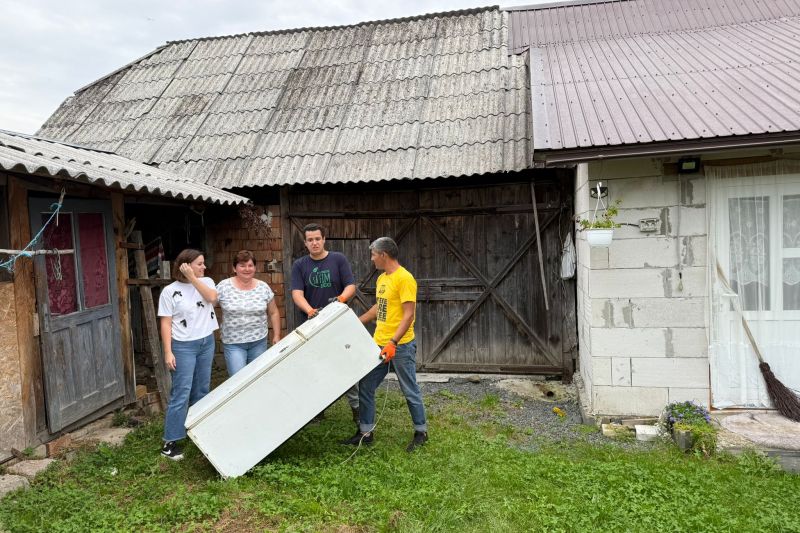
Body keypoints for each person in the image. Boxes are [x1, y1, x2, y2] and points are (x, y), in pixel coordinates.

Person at [341, 237, 428, 452]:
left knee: (410, 390)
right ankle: (365, 432)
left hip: (400, 346)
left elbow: (408, 315)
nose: (371, 259)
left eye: (373, 255)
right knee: (366, 386)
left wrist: (393, 342)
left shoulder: (404, 279)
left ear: (383, 255)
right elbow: (377, 310)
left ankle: (421, 432)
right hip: (378, 345)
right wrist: (353, 322)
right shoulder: (382, 279)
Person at [290, 223, 358, 423]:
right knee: (315, 367)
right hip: (312, 323)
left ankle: (356, 407)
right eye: (310, 240)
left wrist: (341, 300)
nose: (314, 243)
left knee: (346, 364)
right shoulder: (299, 265)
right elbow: (296, 293)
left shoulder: (338, 259)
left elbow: (350, 286)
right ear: (305, 243)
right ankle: (317, 410)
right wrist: (310, 310)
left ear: (324, 239)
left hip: (338, 321)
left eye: (317, 239)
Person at [157, 249, 218, 460]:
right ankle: (170, 442)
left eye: (203, 263)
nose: (204, 267)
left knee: (202, 388)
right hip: (183, 346)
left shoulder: (207, 282)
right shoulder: (169, 291)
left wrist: (193, 277)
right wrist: (168, 351)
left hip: (206, 342)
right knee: (181, 392)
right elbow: (165, 323)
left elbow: (212, 298)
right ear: (186, 265)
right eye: (199, 264)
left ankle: (198, 432)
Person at [217, 250, 282, 376]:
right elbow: (209, 303)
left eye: (250, 265)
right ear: (234, 268)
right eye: (242, 265)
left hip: (258, 342)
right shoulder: (223, 287)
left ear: (255, 268)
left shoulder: (263, 287)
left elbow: (273, 312)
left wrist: (277, 335)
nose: (247, 269)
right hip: (233, 343)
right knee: (238, 380)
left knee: (257, 378)